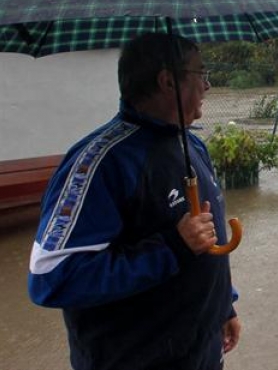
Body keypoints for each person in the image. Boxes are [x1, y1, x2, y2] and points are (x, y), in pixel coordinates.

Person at [28, 32, 241, 370]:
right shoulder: (100, 163)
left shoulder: (191, 146)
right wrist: (171, 247)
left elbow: (205, 241)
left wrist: (224, 306)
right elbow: (51, 277)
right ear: (168, 81)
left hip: (200, 353)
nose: (209, 86)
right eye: (202, 74)